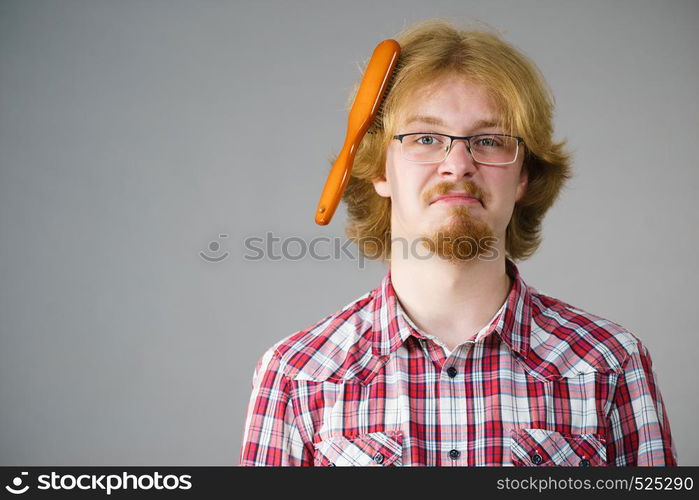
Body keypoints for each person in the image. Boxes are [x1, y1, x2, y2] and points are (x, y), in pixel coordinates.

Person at [238, 18, 678, 466]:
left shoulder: (610, 363)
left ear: (524, 175)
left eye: (488, 140)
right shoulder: (297, 375)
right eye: (426, 138)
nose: (458, 164)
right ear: (378, 170)